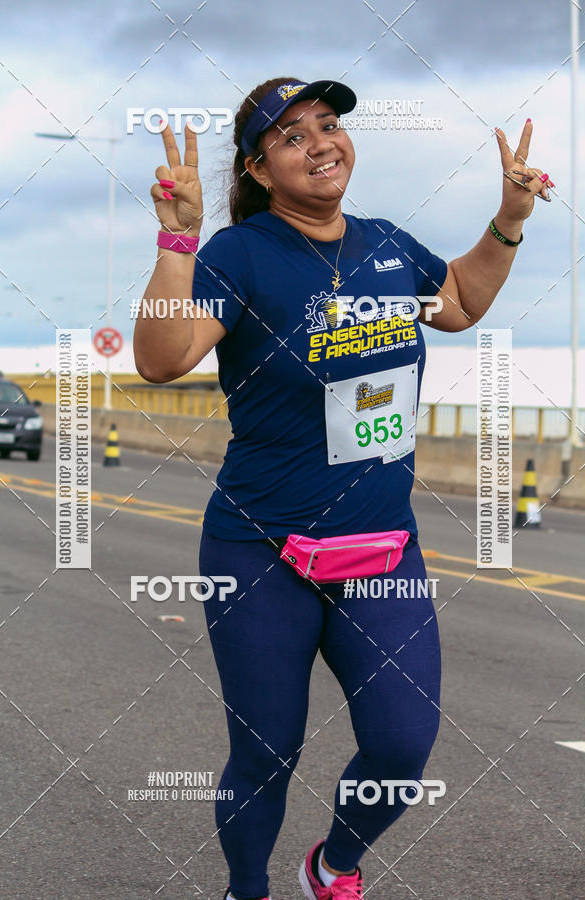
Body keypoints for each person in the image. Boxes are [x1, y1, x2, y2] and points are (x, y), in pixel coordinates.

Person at [133, 77, 551, 900]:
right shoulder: (241, 255)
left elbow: (459, 302)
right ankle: (245, 887)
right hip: (262, 547)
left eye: (328, 124)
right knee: (267, 750)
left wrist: (508, 222)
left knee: (402, 746)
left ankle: (333, 866)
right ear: (256, 169)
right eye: (291, 136)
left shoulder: (386, 244)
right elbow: (162, 358)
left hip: (379, 547)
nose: (320, 142)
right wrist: (176, 244)